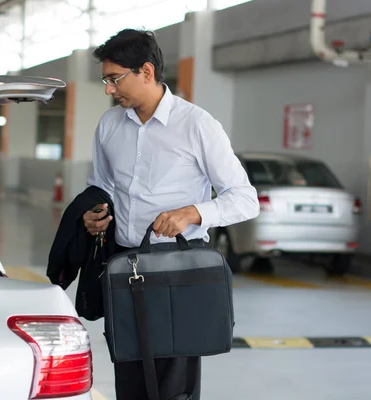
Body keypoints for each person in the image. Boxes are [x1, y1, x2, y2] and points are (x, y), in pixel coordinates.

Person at [84, 28, 260, 400]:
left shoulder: (197, 125)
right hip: (123, 264)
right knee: (129, 374)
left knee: (174, 383)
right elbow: (100, 187)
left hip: (176, 269)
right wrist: (94, 215)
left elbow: (245, 198)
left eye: (115, 79)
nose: (108, 89)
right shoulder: (109, 126)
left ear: (146, 71)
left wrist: (193, 212)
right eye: (106, 79)